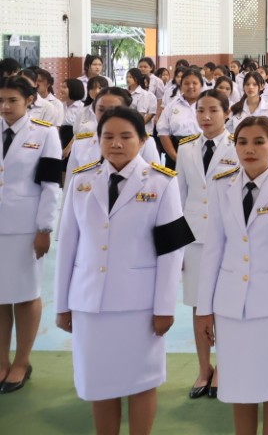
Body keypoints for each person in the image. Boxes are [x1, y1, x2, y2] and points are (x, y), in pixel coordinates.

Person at [55, 106, 194, 431]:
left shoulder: (162, 182)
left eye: (125, 136)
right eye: (108, 137)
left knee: (141, 381)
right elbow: (68, 246)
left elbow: (171, 252)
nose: (116, 144)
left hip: (139, 305)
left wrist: (164, 307)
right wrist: (62, 305)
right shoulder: (82, 180)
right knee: (98, 382)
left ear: (143, 140)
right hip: (90, 303)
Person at [195, 116, 268, 435]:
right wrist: (204, 309)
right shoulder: (221, 183)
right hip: (230, 305)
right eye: (242, 142)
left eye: (259, 142)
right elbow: (213, 248)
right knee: (238, 386)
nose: (250, 149)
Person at [0, 75, 64, 393]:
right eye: (1, 100)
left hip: (25, 227)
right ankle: (1, 361)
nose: (5, 106)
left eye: (12, 100)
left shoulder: (45, 134)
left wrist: (44, 228)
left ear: (28, 101)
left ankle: (22, 361)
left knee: (25, 295)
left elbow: (51, 184)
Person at [176, 89, 236, 400]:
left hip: (227, 238)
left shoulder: (239, 145)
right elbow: (177, 200)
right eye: (200, 111)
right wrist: (177, 250)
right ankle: (204, 368)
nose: (206, 117)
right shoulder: (186, 149)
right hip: (194, 238)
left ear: (227, 112)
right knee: (200, 306)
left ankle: (224, 368)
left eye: (213, 110)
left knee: (224, 305)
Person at [156, 68, 205, 167]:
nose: (190, 86)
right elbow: (163, 132)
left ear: (201, 85)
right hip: (176, 151)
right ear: (181, 85)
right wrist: (175, 157)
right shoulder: (172, 106)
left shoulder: (208, 105)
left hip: (203, 150)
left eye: (195, 83)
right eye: (186, 83)